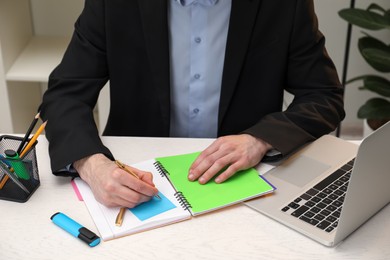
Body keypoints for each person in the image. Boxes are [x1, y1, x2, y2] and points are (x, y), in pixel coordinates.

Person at [40, 0, 345, 209]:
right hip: (138, 171)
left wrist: (260, 139)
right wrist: (91, 165)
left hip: (243, 180)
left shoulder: (284, 5)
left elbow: (323, 95)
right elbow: (66, 93)